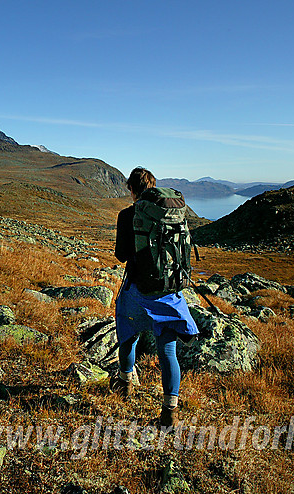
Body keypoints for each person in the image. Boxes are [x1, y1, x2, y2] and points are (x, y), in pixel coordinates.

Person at [111, 167, 199, 428]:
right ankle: (169, 412)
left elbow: (121, 255)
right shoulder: (173, 215)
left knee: (127, 334)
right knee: (167, 350)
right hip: (170, 292)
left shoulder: (128, 215)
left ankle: (125, 383)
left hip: (139, 291)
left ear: (132, 189)